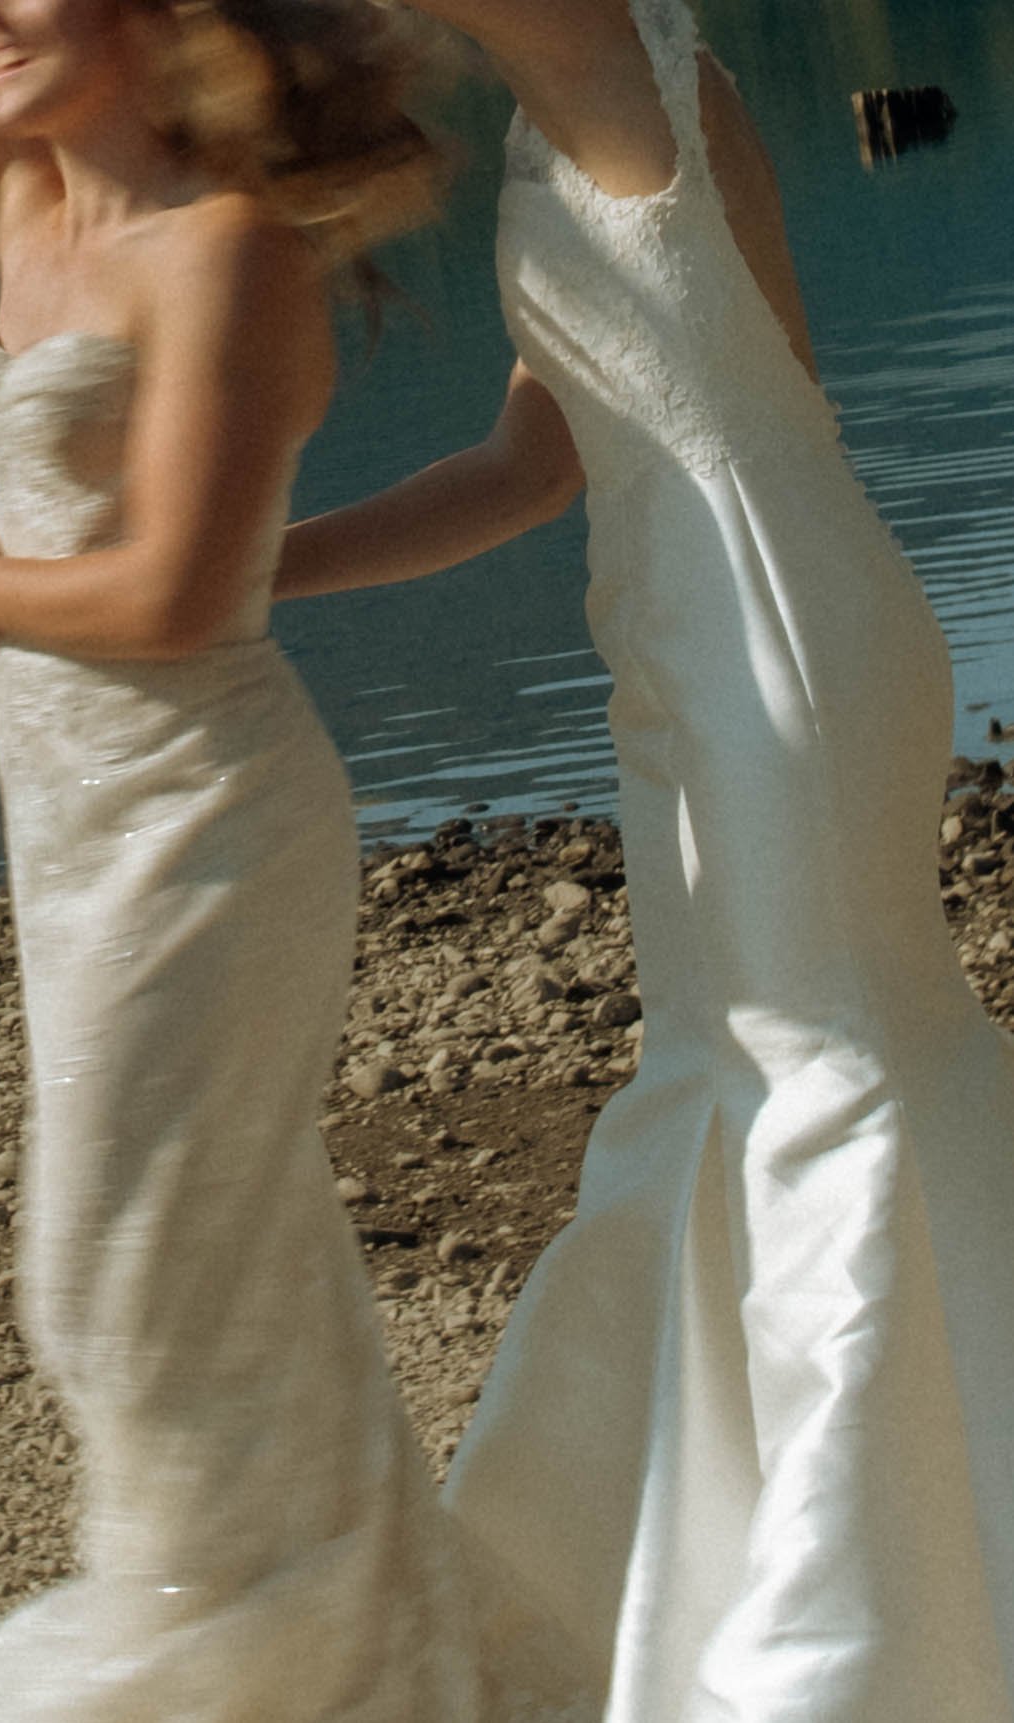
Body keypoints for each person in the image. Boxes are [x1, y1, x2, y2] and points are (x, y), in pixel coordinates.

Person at [0, 0, 598, 1717]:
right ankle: (383, 1674)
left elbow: (181, 598)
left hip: (202, 821)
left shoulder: (227, 250)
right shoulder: (27, 207)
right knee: (233, 1275)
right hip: (70, 826)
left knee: (109, 1278)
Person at [278, 1, 1014, 1718]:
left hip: (769, 635)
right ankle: (755, 1553)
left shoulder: (612, 60)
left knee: (826, 1073)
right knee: (732, 1074)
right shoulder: (578, 114)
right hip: (696, 637)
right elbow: (525, 465)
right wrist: (245, 574)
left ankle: (869, 1626)